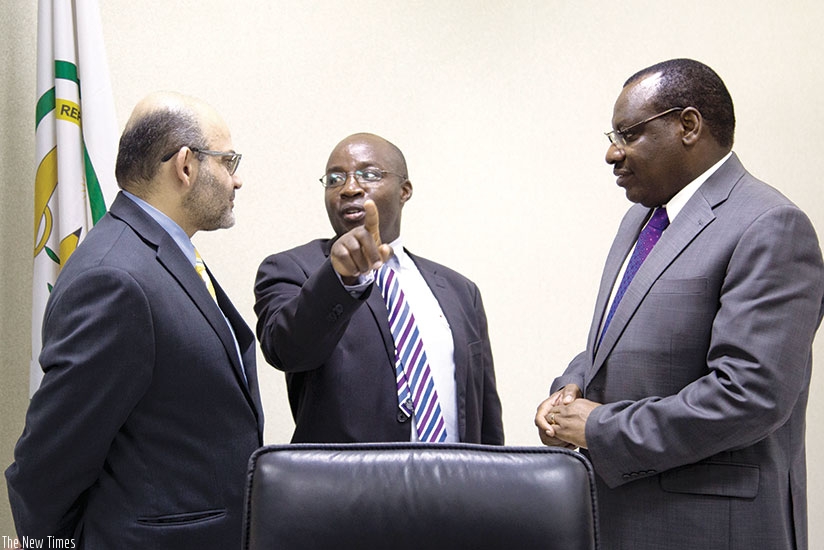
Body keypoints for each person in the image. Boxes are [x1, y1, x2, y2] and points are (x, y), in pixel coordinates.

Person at [535, 59, 824, 550]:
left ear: (688, 125)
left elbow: (749, 395)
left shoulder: (770, 225)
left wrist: (600, 427)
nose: (612, 153)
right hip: (619, 518)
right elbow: (620, 336)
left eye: (628, 133)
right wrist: (571, 385)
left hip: (710, 529)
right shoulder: (642, 221)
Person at [6, 92, 264, 549]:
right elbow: (46, 467)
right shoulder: (116, 277)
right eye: (228, 161)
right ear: (185, 166)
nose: (237, 179)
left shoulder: (157, 255)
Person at [254, 132, 503, 444]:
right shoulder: (293, 269)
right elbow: (286, 350)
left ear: (404, 190)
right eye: (334, 179)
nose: (349, 188)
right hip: (347, 488)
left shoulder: (460, 291)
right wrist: (340, 278)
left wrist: (494, 485)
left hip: (452, 484)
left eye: (369, 175)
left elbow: (485, 412)